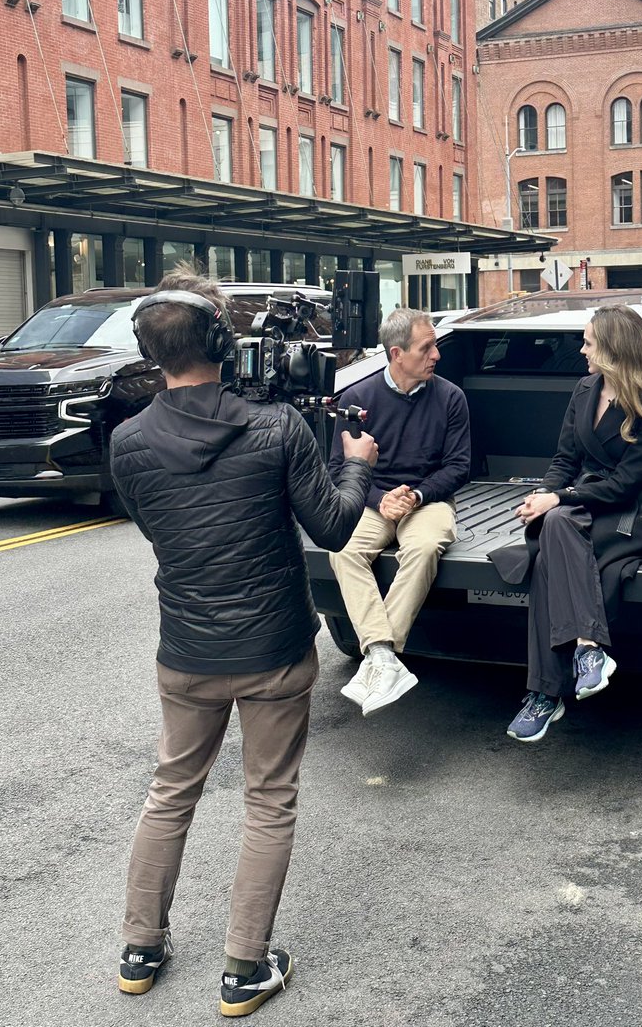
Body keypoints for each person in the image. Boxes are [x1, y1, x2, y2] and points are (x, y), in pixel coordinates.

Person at [110, 265, 377, 1017]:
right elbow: (332, 526)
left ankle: (140, 950)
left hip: (187, 653)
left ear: (151, 351)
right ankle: (243, 969)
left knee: (169, 795)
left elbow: (161, 530)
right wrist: (354, 468)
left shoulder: (128, 443)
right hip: (274, 653)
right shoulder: (277, 427)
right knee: (269, 801)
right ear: (224, 341)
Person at [504, 304, 642, 742]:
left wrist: (559, 499)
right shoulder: (585, 387)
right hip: (579, 508)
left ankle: (545, 696)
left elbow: (626, 484)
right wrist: (542, 496)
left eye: (588, 342)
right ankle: (588, 652)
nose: (581, 349)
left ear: (612, 349)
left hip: (629, 512)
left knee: (555, 534)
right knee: (555, 526)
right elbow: (565, 459)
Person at [327, 308, 471, 716]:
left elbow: (459, 466)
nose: (436, 356)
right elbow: (340, 468)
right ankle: (383, 653)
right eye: (426, 348)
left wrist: (418, 496)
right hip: (376, 499)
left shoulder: (450, 397)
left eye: (435, 347)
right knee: (344, 550)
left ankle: (380, 654)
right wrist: (379, 499)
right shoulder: (357, 398)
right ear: (397, 353)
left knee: (424, 547)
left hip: (427, 501)